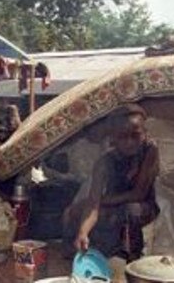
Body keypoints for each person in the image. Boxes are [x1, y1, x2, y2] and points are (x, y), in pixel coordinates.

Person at [65, 104, 160, 262]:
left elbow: (139, 193)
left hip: (143, 206)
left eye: (135, 135)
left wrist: (99, 202)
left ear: (145, 133)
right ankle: (80, 254)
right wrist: (83, 232)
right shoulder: (105, 162)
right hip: (113, 205)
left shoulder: (150, 150)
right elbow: (92, 208)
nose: (129, 142)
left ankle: (132, 258)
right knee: (74, 213)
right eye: (122, 137)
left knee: (131, 211)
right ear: (113, 138)